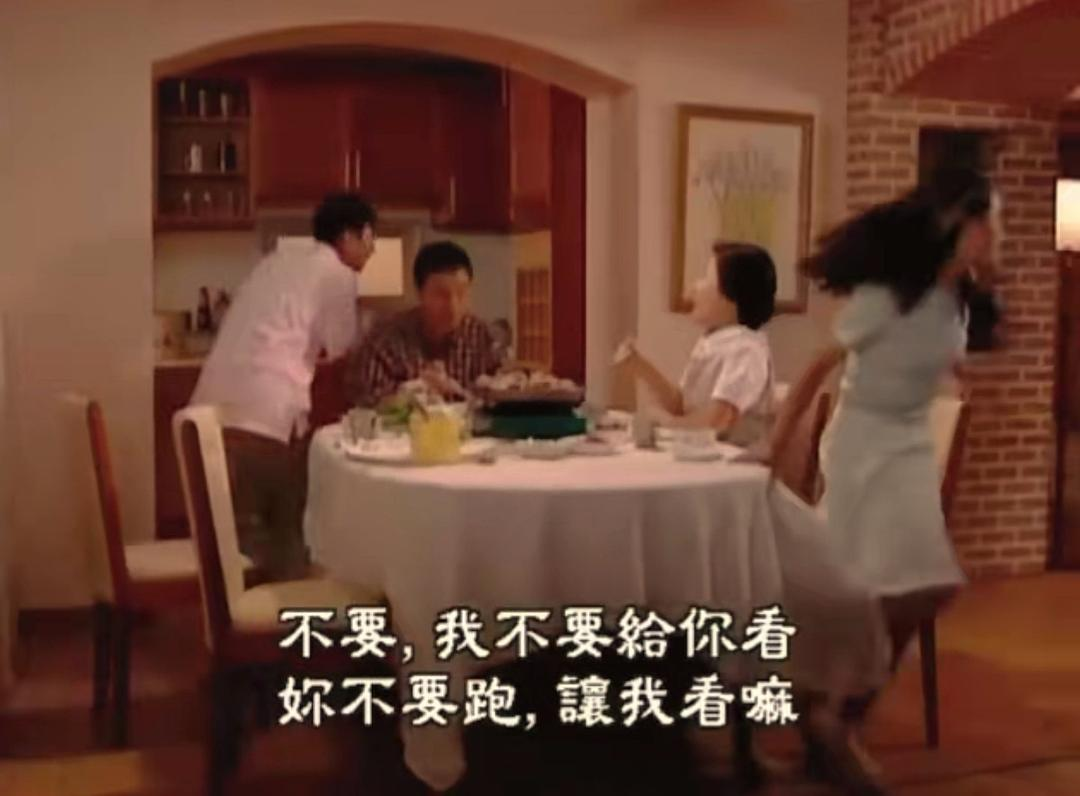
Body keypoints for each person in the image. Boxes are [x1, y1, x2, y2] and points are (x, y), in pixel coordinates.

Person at [768, 166, 1000, 792]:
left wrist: (954, 383)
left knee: (922, 588)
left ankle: (834, 719)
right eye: (984, 221)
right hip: (863, 444)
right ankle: (830, 719)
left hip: (908, 444)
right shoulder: (886, 296)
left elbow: (940, 357)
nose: (991, 233)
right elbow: (817, 366)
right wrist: (774, 446)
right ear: (954, 225)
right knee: (886, 586)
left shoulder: (958, 297)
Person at [190, 192, 377, 582]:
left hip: (208, 412)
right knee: (285, 534)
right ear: (349, 236)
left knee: (236, 541)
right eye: (369, 237)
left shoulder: (276, 261)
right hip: (264, 414)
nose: (371, 249)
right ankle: (285, 614)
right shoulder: (338, 274)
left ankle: (235, 616)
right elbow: (342, 346)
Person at [619, 241, 778, 446]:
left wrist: (669, 424)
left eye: (706, 278)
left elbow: (718, 420)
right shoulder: (713, 342)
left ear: (731, 297)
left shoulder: (746, 349)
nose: (695, 287)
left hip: (734, 459)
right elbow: (682, 406)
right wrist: (640, 366)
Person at [346, 241, 501, 407]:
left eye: (461, 293)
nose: (453, 307)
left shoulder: (482, 337)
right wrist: (413, 392)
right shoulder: (385, 340)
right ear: (419, 293)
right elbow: (366, 401)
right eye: (441, 295)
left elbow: (501, 395)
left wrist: (462, 393)